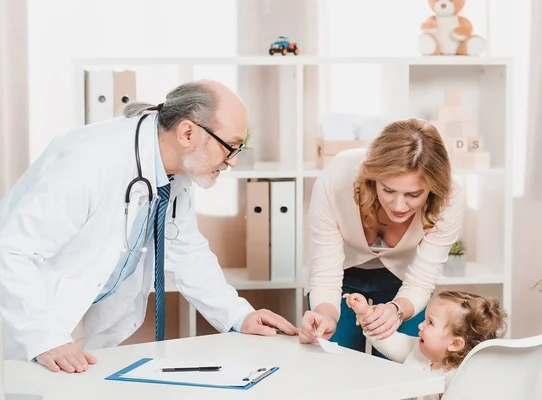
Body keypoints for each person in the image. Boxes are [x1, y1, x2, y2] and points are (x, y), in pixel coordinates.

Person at [0, 80, 298, 373]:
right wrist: (45, 337)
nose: (232, 162)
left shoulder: (176, 171)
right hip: (31, 319)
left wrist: (240, 316)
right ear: (187, 132)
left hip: (81, 324)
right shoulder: (90, 160)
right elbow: (12, 250)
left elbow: (186, 251)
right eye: (230, 147)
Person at [299, 118, 465, 356]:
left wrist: (398, 309)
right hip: (341, 275)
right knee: (334, 366)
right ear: (372, 178)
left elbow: (422, 278)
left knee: (401, 368)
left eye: (414, 194)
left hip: (404, 281)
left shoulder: (450, 194)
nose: (399, 205)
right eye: (387, 190)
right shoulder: (338, 177)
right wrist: (324, 316)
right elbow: (325, 272)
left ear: (432, 190)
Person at [343, 290, 507, 400]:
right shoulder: (419, 351)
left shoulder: (459, 377)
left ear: (455, 343)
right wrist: (365, 314)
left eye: (430, 322)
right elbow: (387, 339)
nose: (420, 326)